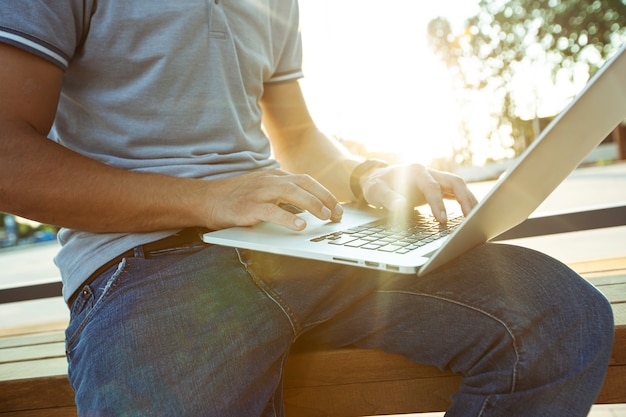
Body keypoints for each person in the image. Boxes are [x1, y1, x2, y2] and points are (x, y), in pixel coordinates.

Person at [0, 2, 614, 416]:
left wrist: (367, 176)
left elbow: (296, 139)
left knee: (556, 315)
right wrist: (209, 198)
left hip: (296, 241)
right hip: (144, 265)